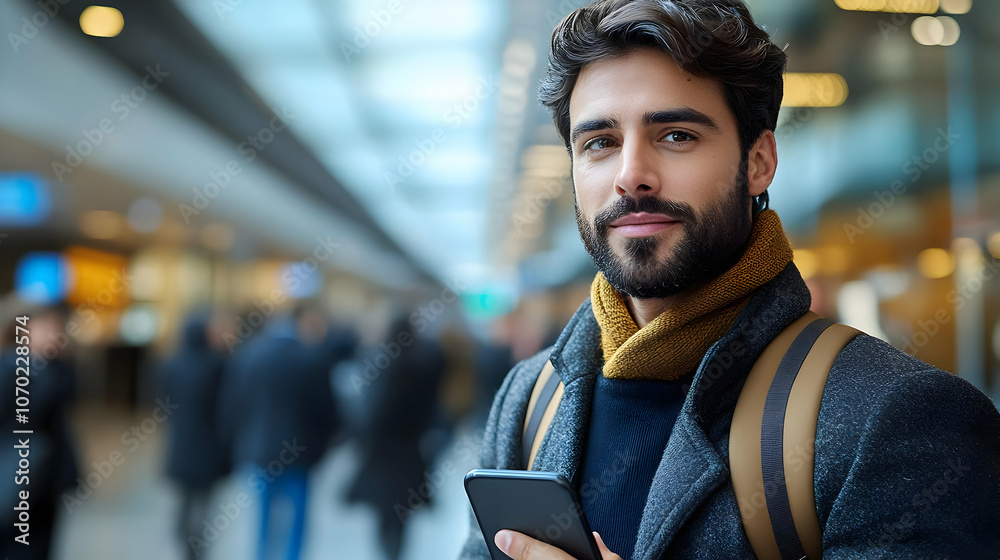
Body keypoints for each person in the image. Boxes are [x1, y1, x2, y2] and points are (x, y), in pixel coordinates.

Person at [459, 1, 1000, 558]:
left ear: (759, 161)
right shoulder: (529, 401)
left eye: (676, 135)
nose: (631, 175)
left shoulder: (900, 419)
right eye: (600, 143)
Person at [217, 306, 339, 560]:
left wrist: (237, 445)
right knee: (296, 522)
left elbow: (231, 407)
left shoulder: (248, 356)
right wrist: (319, 449)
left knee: (261, 521)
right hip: (299, 455)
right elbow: (328, 413)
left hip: (257, 452)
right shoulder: (310, 359)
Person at [159, 311, 230, 560]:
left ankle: (186, 547)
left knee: (184, 502)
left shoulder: (171, 365)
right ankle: (195, 551)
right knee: (202, 506)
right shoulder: (216, 366)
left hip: (180, 446)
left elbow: (161, 403)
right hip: (208, 448)